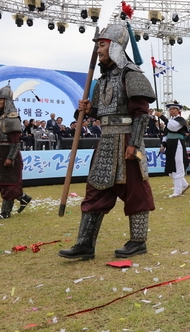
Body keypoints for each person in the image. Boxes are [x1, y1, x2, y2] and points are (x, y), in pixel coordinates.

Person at [58, 22, 156, 261]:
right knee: (95, 192)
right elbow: (104, 111)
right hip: (105, 143)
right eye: (98, 45)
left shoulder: (132, 74)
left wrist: (134, 143)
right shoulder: (101, 81)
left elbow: (142, 114)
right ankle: (85, 244)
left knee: (136, 191)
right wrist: (90, 110)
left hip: (126, 142)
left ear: (115, 47)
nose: (98, 50)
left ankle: (137, 241)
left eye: (102, 45)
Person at [0, 84, 32, 220]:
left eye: (0, 100)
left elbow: (16, 141)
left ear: (7, 101)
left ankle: (5, 213)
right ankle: (23, 198)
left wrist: (10, 157)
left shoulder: (11, 118)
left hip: (8, 153)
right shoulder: (0, 118)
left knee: (8, 183)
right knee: (1, 182)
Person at [157, 101, 190, 197]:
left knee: (178, 165)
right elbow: (166, 134)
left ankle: (177, 191)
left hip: (178, 144)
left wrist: (162, 117)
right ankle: (184, 184)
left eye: (174, 109)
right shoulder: (169, 121)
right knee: (171, 167)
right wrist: (163, 145)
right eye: (170, 109)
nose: (172, 111)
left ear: (178, 110)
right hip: (170, 145)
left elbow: (173, 127)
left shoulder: (180, 120)